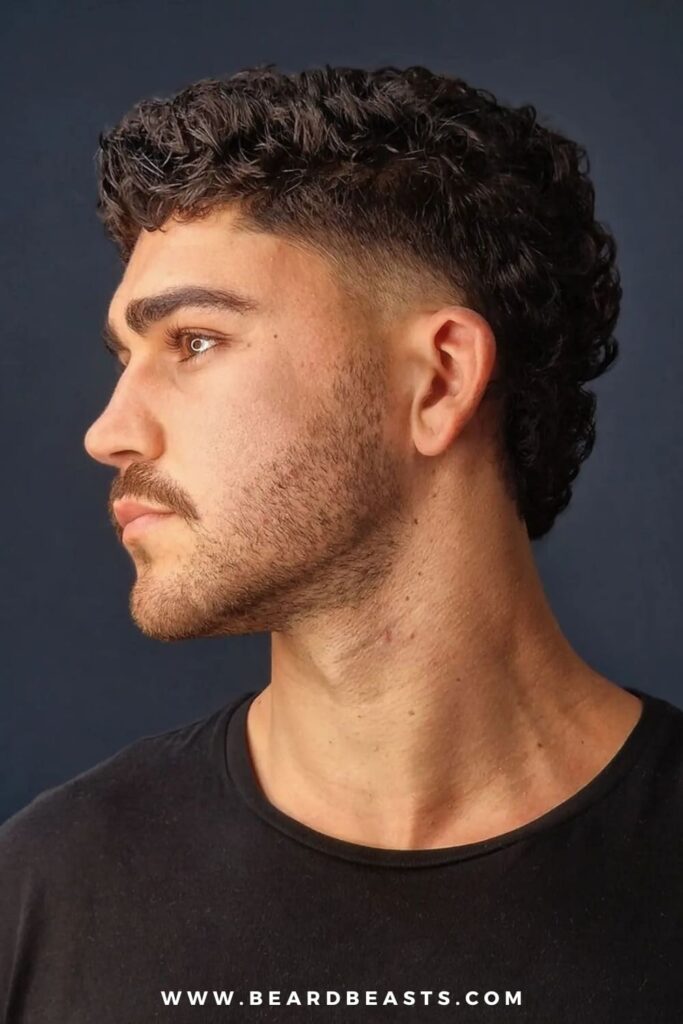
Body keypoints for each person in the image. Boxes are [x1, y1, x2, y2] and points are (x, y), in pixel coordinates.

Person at [1, 63, 681, 1024]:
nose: (108, 432)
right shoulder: (43, 895)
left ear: (439, 380)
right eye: (126, 358)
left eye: (193, 341)